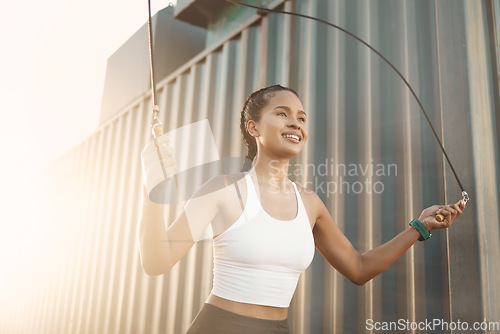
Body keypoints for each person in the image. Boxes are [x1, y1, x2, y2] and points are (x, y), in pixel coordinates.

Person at [138, 84, 466, 334]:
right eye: (282, 113)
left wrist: (419, 227)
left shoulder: (310, 203)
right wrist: (152, 189)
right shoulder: (223, 189)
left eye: (302, 118)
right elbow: (156, 262)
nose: (295, 123)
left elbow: (358, 268)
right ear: (254, 128)